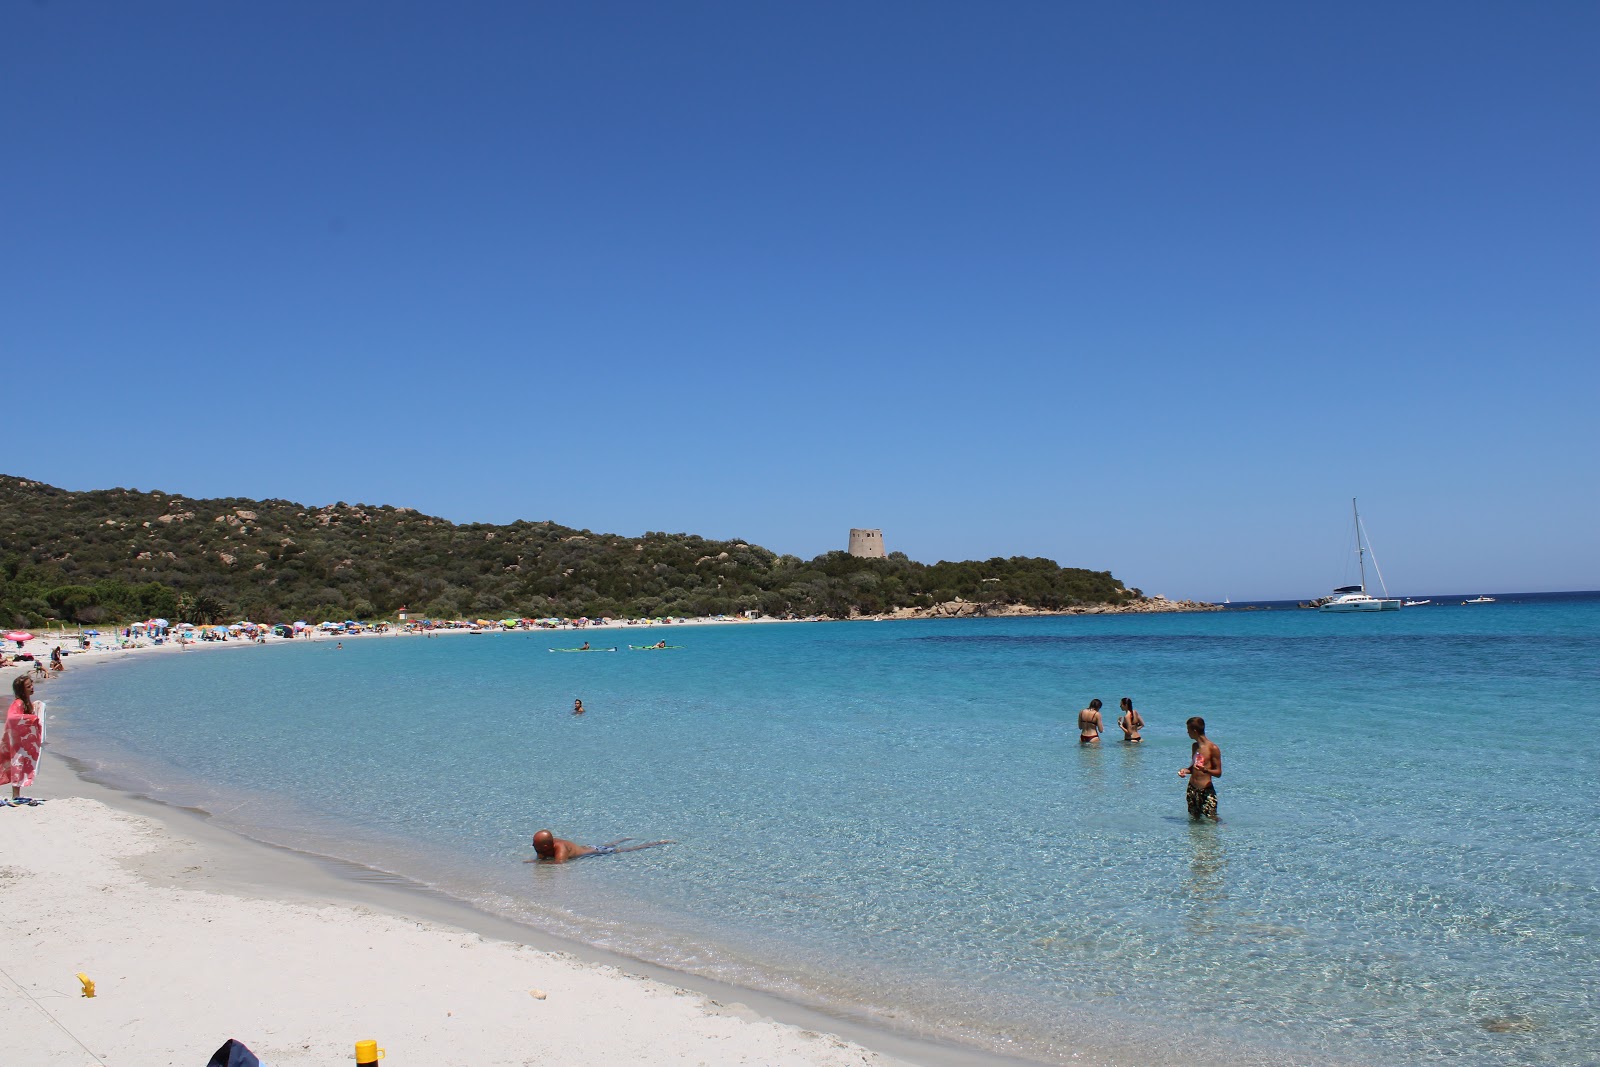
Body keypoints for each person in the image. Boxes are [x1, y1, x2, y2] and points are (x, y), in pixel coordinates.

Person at [2, 675, 44, 804]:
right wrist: (32, 719)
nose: (32, 687)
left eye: (31, 685)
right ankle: (15, 795)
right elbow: (12, 717)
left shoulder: (26, 702)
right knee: (17, 765)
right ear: (21, 690)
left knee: (19, 765)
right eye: (28, 686)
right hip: (16, 741)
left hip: (21, 741)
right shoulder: (19, 702)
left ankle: (16, 794)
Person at [526, 829, 674, 864]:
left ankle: (658, 843)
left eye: (535, 844)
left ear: (546, 845)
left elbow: (559, 864)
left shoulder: (560, 849)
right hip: (588, 847)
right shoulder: (544, 846)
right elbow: (542, 857)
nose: (532, 845)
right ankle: (624, 838)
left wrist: (536, 862)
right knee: (610, 844)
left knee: (624, 850)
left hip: (595, 852)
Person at [1177, 716, 1222, 820]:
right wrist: (1185, 770)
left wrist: (1205, 770)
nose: (1187, 733)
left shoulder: (1213, 748)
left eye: (1188, 730)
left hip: (1206, 790)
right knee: (1194, 820)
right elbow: (1193, 768)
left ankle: (1223, 834)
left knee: (1212, 819)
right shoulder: (1195, 746)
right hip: (1192, 789)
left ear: (1195, 731)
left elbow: (1218, 773)